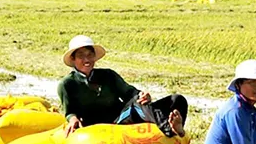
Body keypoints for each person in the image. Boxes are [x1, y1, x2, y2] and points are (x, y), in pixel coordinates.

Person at [57, 35, 187, 137]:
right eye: (81, 56)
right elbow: (69, 112)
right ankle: (169, 130)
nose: (87, 59)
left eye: (90, 55)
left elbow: (130, 93)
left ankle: (174, 128)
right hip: (108, 124)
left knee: (176, 99)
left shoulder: (108, 74)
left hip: (123, 116)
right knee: (137, 105)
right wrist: (73, 119)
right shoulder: (67, 84)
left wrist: (142, 95)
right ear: (73, 59)